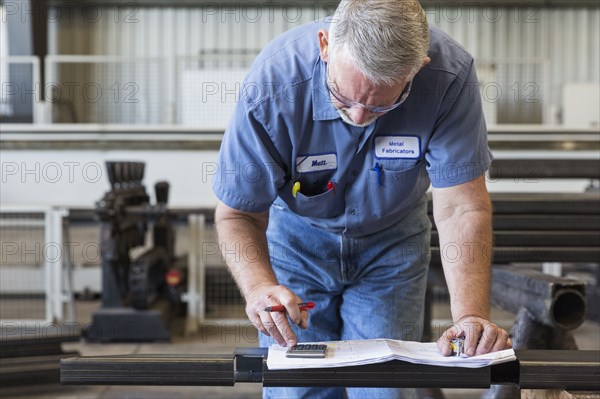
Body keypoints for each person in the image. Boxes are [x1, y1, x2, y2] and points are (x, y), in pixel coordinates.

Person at [212, 1, 511, 398]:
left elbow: (461, 205)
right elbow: (237, 214)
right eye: (342, 96)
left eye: (380, 105)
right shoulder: (272, 86)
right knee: (295, 389)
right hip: (296, 245)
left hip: (392, 247)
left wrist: (470, 315)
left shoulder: (448, 78)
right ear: (324, 45)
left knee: (382, 387)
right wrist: (259, 288)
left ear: (417, 68)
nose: (357, 117)